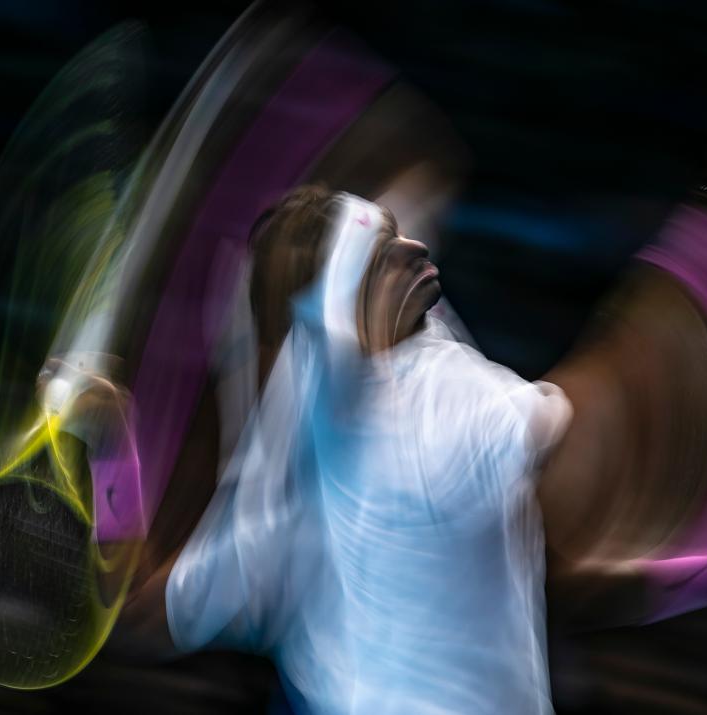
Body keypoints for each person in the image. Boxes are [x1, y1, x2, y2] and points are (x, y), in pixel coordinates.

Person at [114, 185, 573, 714]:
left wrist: (108, 451)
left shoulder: (442, 385)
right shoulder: (295, 496)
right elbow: (141, 621)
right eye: (380, 256)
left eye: (398, 232)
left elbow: (137, 621)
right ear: (338, 309)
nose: (415, 246)